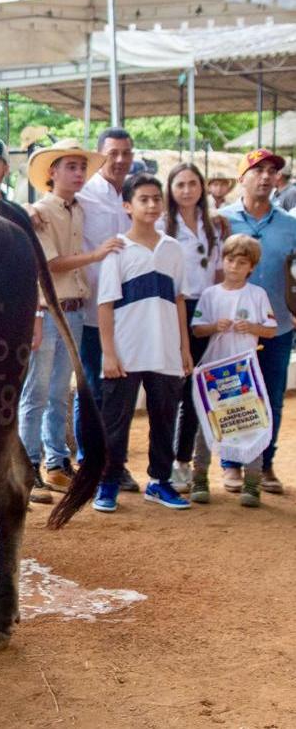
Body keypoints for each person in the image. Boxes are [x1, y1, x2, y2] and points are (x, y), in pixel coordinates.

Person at [19, 140, 114, 504]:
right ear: (52, 173)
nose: (78, 173)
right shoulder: (42, 210)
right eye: (70, 166)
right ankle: (28, 465)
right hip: (50, 307)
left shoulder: (79, 209)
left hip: (73, 309)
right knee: (38, 391)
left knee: (59, 390)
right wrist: (95, 255)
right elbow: (50, 263)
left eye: (81, 167)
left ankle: (55, 462)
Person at [92, 173, 194, 513]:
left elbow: (178, 300)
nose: (151, 205)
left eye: (156, 199)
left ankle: (159, 481)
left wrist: (184, 349)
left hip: (165, 352)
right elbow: (105, 304)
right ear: (127, 206)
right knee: (115, 422)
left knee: (165, 418)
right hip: (125, 352)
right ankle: (108, 482)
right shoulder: (117, 250)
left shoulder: (173, 249)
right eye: (143, 200)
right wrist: (109, 352)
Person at [216, 148, 296, 494]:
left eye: (271, 171)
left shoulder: (290, 225)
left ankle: (264, 465)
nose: (265, 177)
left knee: (272, 397)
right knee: (233, 394)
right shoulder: (220, 220)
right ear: (242, 178)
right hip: (232, 328)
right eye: (257, 170)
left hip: (276, 326)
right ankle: (231, 464)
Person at [190, 234, 277, 506]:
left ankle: (252, 484)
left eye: (242, 263)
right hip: (213, 372)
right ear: (222, 261)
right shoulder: (210, 294)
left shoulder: (257, 294)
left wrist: (251, 328)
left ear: (251, 267)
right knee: (207, 425)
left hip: (244, 373)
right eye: (230, 260)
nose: (234, 267)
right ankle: (199, 477)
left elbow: (271, 329)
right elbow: (197, 328)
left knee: (251, 422)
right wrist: (215, 326)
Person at [73, 127, 137, 489]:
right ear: (100, 156)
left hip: (129, 312)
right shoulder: (82, 195)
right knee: (92, 389)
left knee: (120, 390)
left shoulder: (134, 195)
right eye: (112, 153)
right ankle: (89, 462)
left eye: (126, 153)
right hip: (90, 310)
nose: (120, 160)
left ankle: (114, 463)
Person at [158, 163, 226, 493]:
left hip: (206, 311)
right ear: (170, 190)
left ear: (202, 187)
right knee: (171, 387)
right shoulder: (160, 226)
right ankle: (163, 463)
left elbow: (218, 272)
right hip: (172, 310)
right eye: (180, 184)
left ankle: (183, 461)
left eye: (193, 184)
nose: (187, 190)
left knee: (196, 389)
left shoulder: (214, 225)